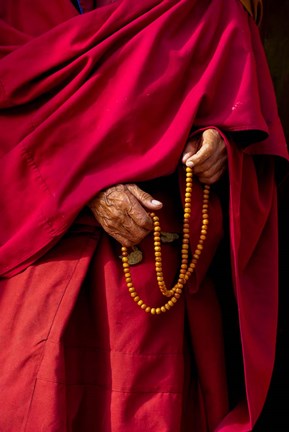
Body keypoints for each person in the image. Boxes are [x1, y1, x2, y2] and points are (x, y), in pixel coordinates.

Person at [0, 0, 287, 431]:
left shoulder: (208, 10)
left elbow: (245, 126)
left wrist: (218, 146)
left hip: (160, 288)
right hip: (48, 274)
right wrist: (80, 183)